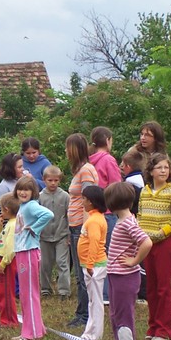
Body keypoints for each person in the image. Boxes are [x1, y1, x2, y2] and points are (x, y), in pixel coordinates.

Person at [102, 182, 153, 340]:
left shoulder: (128, 223)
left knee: (123, 318)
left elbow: (146, 242)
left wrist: (134, 261)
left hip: (125, 277)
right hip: (116, 275)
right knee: (116, 316)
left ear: (111, 203)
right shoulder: (125, 220)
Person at [137, 153, 171, 340]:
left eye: (166, 167)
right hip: (146, 243)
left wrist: (163, 231)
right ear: (150, 171)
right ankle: (153, 326)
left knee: (163, 287)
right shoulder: (144, 191)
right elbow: (140, 215)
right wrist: (140, 235)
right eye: (159, 168)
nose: (163, 171)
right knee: (151, 286)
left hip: (164, 244)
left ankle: (164, 330)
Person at [12, 177, 54, 340]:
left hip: (29, 253)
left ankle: (31, 333)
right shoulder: (23, 206)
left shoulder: (31, 206)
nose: (23, 192)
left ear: (33, 192)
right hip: (22, 252)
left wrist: (34, 228)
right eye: (20, 189)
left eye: (27, 190)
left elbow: (48, 214)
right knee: (26, 293)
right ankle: (36, 328)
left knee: (29, 293)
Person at [65, 133, 100, 328]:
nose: (65, 151)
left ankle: (85, 315)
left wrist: (86, 230)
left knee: (83, 274)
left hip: (81, 228)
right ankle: (81, 312)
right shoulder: (79, 171)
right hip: (75, 227)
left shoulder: (86, 171)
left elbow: (89, 200)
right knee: (79, 275)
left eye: (67, 147)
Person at [89, 126, 122, 303]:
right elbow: (117, 186)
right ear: (108, 140)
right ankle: (107, 294)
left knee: (96, 252)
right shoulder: (108, 160)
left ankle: (97, 291)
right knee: (109, 253)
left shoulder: (89, 160)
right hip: (109, 212)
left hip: (94, 213)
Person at [77, 185, 108, 340]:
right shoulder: (93, 218)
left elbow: (95, 243)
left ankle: (95, 335)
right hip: (90, 265)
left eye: (84, 199)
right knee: (92, 300)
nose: (82, 201)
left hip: (94, 266)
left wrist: (90, 264)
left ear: (91, 201)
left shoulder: (95, 221)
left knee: (96, 301)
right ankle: (90, 331)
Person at [0, 153, 25, 294]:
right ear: (11, 169)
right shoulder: (3, 188)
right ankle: (1, 288)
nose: (23, 169)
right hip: (8, 232)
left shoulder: (23, 182)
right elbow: (3, 214)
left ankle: (18, 288)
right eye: (19, 167)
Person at [38, 166, 71, 299]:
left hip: (61, 235)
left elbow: (69, 215)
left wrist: (68, 233)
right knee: (44, 264)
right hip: (44, 236)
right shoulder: (40, 197)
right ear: (44, 180)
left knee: (62, 262)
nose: (53, 183)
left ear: (59, 181)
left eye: (56, 180)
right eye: (50, 180)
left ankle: (64, 291)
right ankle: (45, 288)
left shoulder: (65, 196)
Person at [120, 149, 146, 301]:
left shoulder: (130, 185)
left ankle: (141, 292)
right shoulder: (140, 180)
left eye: (122, 164)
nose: (120, 166)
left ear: (128, 166)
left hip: (133, 224)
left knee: (137, 259)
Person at [0, 193, 21, 328]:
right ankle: (4, 318)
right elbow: (2, 240)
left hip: (6, 263)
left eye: (0, 208)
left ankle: (10, 321)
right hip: (1, 260)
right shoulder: (8, 224)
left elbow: (11, 248)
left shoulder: (13, 225)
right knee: (1, 292)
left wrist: (4, 263)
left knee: (6, 292)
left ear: (6, 209)